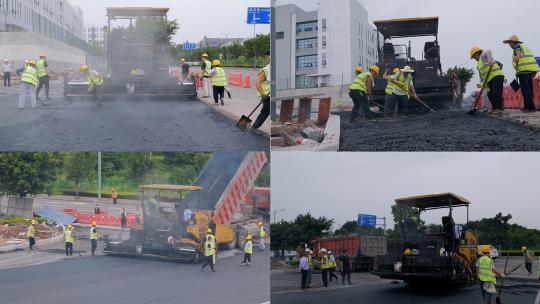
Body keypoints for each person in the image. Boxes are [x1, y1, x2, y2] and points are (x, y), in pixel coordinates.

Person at [503, 35, 540, 112]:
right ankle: (527, 106)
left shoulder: (517, 46)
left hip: (524, 71)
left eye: (510, 43)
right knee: (529, 89)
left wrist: (514, 59)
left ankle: (531, 108)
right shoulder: (524, 47)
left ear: (513, 42)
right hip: (530, 70)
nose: (509, 45)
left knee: (525, 90)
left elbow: (518, 56)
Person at [470, 47, 505, 111]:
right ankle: (495, 109)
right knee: (490, 94)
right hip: (489, 80)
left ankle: (499, 109)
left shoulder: (482, 56)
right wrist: (482, 84)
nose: (474, 58)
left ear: (477, 53)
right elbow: (482, 76)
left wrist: (489, 60)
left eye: (473, 56)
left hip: (497, 76)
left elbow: (488, 51)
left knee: (496, 93)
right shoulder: (478, 65)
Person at [252, 51, 271, 131]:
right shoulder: (266, 70)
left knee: (265, 112)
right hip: (267, 96)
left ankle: (255, 126)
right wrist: (262, 94)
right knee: (268, 111)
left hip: (272, 95)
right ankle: (254, 127)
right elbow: (258, 83)